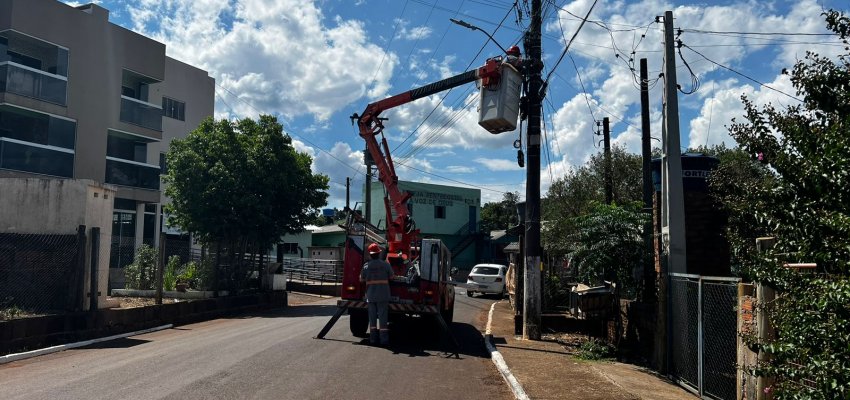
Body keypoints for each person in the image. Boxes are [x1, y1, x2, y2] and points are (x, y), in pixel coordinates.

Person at [360, 243, 394, 346]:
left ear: (370, 254)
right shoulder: (386, 264)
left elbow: (361, 279)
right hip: (383, 295)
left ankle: (373, 340)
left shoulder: (366, 266)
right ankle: (384, 341)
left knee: (372, 320)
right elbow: (392, 277)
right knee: (383, 320)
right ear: (379, 253)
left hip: (371, 296)